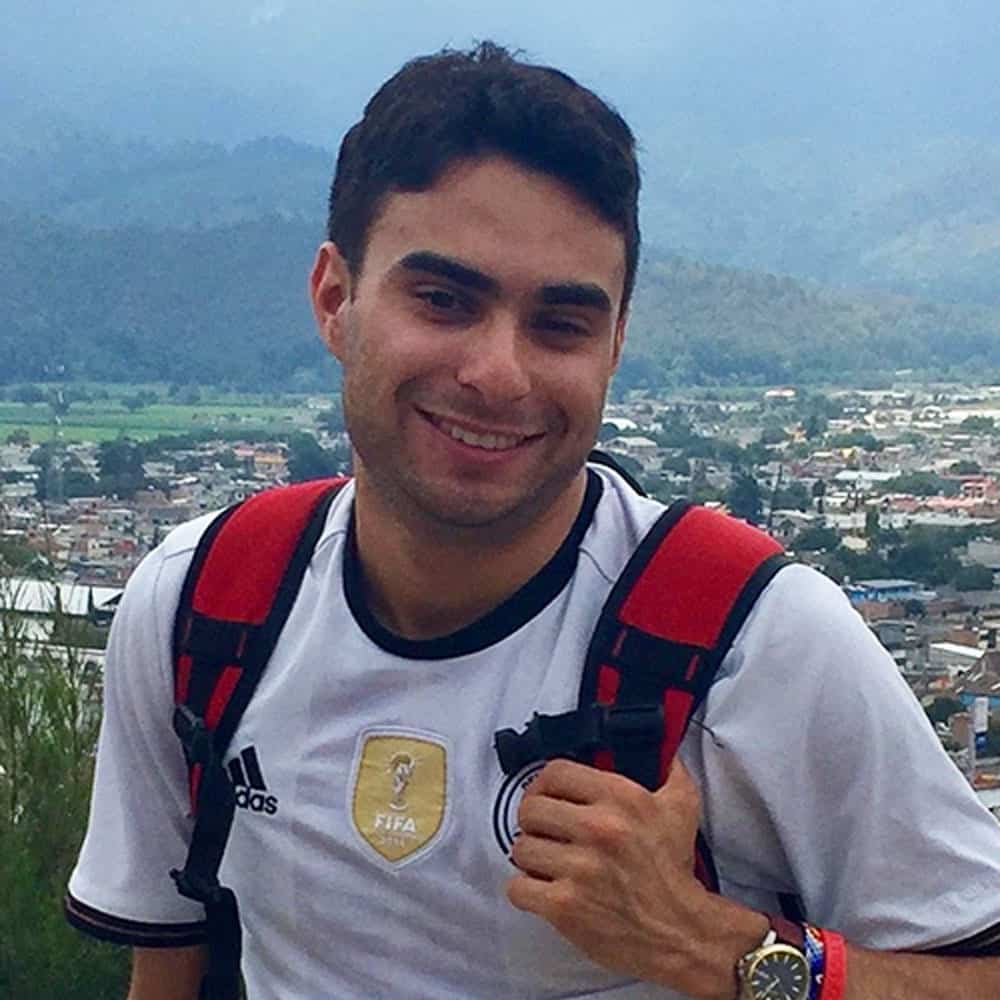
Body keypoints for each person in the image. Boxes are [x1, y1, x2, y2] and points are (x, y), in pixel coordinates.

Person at [66, 42, 1000, 1000]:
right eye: (444, 299)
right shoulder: (205, 606)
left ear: (615, 345)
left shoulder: (752, 642)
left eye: (560, 324)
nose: (498, 372)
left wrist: (710, 947)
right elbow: (168, 970)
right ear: (335, 299)